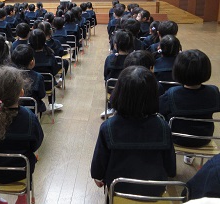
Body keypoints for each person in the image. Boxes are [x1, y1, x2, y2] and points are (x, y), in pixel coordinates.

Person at [91, 66, 176, 197]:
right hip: (154, 191)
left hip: (118, 190)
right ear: (153, 96)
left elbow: (99, 166)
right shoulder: (163, 126)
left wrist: (98, 176)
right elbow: (170, 168)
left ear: (118, 93)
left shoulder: (108, 126)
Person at [0, 66, 44, 204]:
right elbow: (36, 143)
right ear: (21, 92)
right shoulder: (29, 117)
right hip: (20, 171)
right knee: (30, 156)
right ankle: (22, 196)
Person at [159, 49, 220, 165]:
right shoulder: (213, 92)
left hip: (176, 138)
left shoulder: (172, 93)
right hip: (204, 138)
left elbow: (159, 109)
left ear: (177, 71)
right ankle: (190, 156)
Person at [101, 29, 133, 118]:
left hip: (112, 90)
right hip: (130, 91)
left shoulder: (110, 58)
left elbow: (105, 75)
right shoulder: (134, 59)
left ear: (115, 45)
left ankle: (110, 107)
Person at [11, 44, 46, 114]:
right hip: (33, 109)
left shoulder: (9, 75)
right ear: (32, 62)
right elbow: (42, 95)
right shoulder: (38, 77)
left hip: (13, 107)